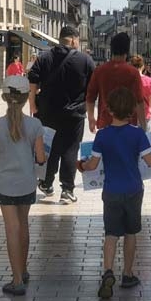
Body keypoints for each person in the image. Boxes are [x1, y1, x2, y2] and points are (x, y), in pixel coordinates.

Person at [77, 86, 151, 301]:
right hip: (133, 190)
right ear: (132, 111)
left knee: (111, 234)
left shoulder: (102, 136)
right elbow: (150, 161)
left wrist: (82, 166)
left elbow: (93, 164)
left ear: (109, 111)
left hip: (111, 191)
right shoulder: (138, 134)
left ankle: (107, 271)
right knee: (131, 233)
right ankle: (128, 274)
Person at [0, 74, 47, 296]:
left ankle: (16, 279)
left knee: (12, 228)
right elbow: (40, 157)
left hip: (4, 184)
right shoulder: (35, 124)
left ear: (5, 97)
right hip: (27, 183)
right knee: (23, 225)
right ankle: (24, 269)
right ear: (26, 96)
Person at [28, 24, 95, 204]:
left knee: (48, 147)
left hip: (46, 112)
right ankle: (67, 189)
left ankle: (46, 182)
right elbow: (92, 91)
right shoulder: (85, 60)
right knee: (70, 150)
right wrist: (91, 116)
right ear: (73, 39)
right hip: (74, 114)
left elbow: (32, 79)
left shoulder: (44, 57)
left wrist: (32, 103)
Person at [85, 32, 144, 133]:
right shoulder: (133, 72)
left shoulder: (100, 71)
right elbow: (139, 100)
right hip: (128, 124)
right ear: (127, 50)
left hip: (105, 123)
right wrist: (143, 124)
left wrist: (91, 118)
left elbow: (90, 97)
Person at [131, 55, 151, 132]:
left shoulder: (127, 81)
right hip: (145, 115)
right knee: (145, 141)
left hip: (130, 116)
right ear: (143, 66)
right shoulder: (149, 81)